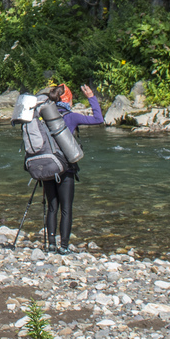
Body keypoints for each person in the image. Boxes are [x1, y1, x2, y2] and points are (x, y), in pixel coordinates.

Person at [42, 81, 105, 254]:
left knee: (52, 207)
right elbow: (99, 119)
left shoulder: (44, 116)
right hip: (66, 168)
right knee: (66, 209)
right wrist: (91, 98)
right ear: (67, 99)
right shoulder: (72, 117)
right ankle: (64, 246)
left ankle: (51, 244)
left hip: (47, 167)